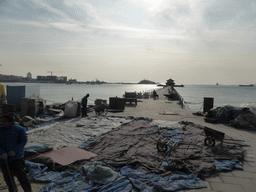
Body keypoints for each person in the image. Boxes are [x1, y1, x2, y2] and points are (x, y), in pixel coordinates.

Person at [0, 113, 32, 192]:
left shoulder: (19, 129)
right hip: (3, 158)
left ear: (11, 122)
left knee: (21, 176)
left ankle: (28, 190)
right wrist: (1, 152)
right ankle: (13, 190)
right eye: (1, 121)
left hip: (16, 158)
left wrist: (15, 151)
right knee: (8, 177)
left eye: (4, 121)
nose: (2, 123)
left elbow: (23, 141)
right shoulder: (0, 129)